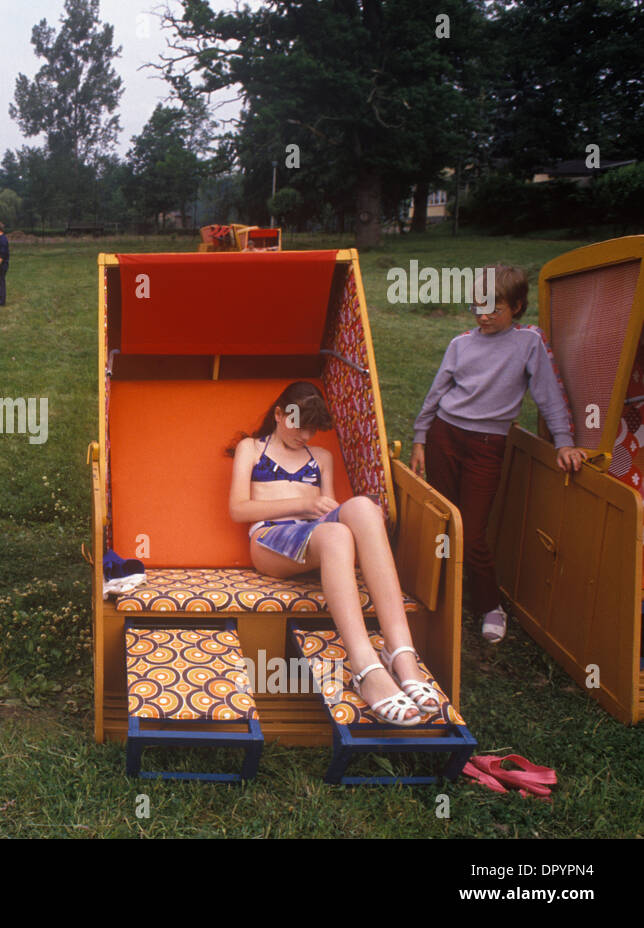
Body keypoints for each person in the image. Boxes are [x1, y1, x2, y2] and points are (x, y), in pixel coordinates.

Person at [229, 382, 439, 725]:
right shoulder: (252, 449)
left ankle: (401, 653)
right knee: (335, 534)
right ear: (279, 415)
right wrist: (305, 503)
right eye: (298, 425)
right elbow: (238, 510)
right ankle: (365, 666)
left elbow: (329, 513)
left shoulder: (320, 458)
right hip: (271, 539)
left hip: (316, 537)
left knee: (362, 508)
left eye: (312, 429)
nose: (304, 435)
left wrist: (324, 508)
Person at [410, 265, 585, 644]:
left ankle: (489, 604)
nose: (484, 316)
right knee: (442, 516)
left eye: (494, 308)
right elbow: (436, 393)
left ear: (517, 306)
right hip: (444, 434)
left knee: (472, 531)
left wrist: (564, 440)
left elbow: (548, 395)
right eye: (477, 307)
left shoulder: (528, 343)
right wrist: (420, 438)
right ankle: (436, 592)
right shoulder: (461, 344)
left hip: (486, 446)